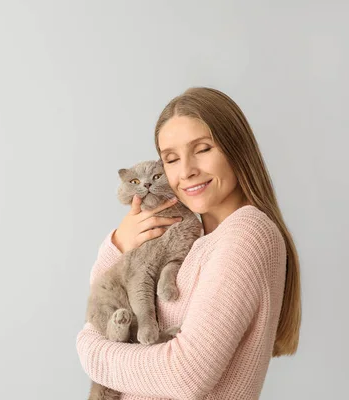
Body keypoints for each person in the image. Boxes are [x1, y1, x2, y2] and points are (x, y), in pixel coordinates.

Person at [76, 87, 301, 400]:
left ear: (236, 149)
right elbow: (103, 304)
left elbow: (184, 375)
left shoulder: (247, 233)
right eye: (171, 159)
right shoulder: (195, 239)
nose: (187, 171)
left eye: (203, 149)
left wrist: (90, 350)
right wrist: (119, 242)